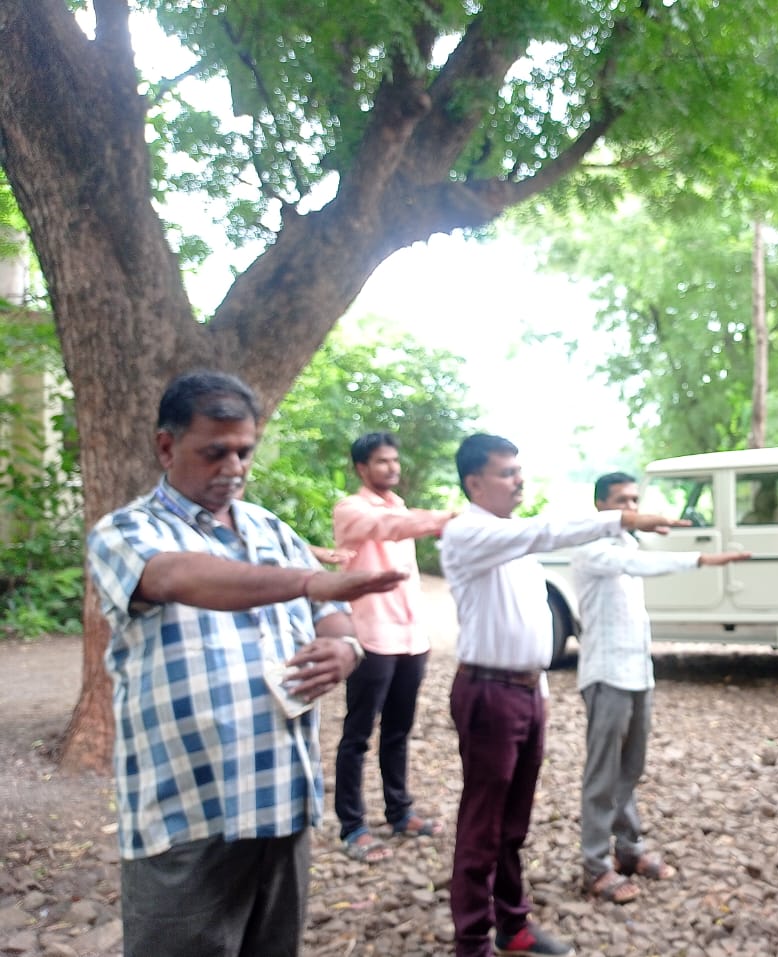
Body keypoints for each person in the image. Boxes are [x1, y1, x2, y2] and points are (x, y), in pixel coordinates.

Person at [86, 369, 408, 957]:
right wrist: (315, 579)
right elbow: (180, 576)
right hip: (187, 810)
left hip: (280, 800)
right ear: (166, 446)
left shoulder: (270, 529)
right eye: (215, 452)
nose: (233, 467)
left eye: (244, 451)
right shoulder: (127, 530)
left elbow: (328, 616)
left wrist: (344, 648)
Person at [440, 434, 687, 957]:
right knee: (483, 824)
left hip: (526, 692)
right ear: (474, 483)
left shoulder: (511, 537)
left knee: (513, 823)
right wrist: (619, 520)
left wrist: (541, 690)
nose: (519, 480)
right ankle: (471, 940)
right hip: (488, 692)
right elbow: (548, 531)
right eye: (507, 473)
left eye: (518, 470)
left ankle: (512, 926)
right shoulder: (469, 532)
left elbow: (526, 623)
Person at [573, 472, 750, 904]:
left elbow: (637, 565)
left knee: (630, 770)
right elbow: (639, 566)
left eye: (636, 499)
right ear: (601, 505)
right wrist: (699, 561)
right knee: (602, 774)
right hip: (605, 674)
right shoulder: (594, 548)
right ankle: (595, 865)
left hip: (638, 673)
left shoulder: (630, 543)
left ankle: (628, 850)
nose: (632, 507)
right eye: (622, 501)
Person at [332, 432, 455, 863]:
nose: (393, 468)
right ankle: (352, 826)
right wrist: (447, 517)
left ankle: (400, 812)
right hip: (372, 636)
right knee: (358, 734)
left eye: (394, 460)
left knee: (399, 730)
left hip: (410, 637)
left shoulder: (400, 507)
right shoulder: (352, 509)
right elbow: (387, 527)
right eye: (382, 462)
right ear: (362, 468)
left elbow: (399, 525)